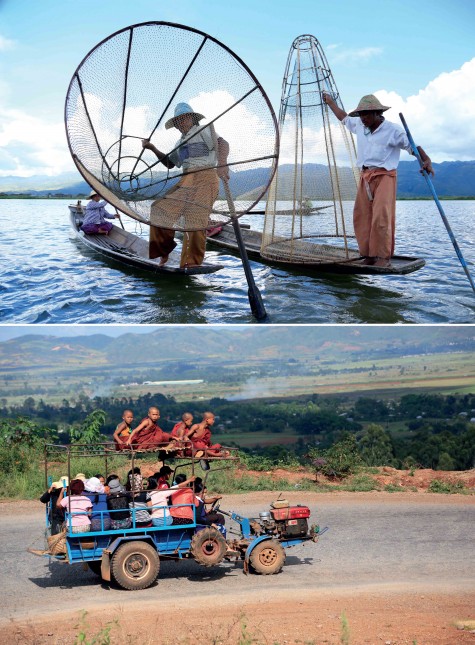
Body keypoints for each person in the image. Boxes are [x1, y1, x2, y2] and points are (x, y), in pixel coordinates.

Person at [322, 92, 434, 267]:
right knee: (361, 216)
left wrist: (425, 159)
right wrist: (330, 102)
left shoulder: (392, 130)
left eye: (366, 114)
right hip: (365, 176)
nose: (363, 118)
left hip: (385, 176)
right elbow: (343, 117)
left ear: (377, 113)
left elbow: (411, 146)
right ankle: (368, 255)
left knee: (381, 217)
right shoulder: (360, 125)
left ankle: (382, 257)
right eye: (360, 114)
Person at [142, 102, 229, 268]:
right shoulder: (179, 143)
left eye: (184, 118)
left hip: (206, 176)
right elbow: (170, 163)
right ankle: (164, 251)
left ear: (192, 118)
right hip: (187, 179)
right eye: (177, 121)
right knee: (159, 208)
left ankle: (191, 263)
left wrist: (223, 163)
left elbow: (223, 144)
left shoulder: (203, 130)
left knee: (195, 220)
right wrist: (152, 148)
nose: (181, 123)